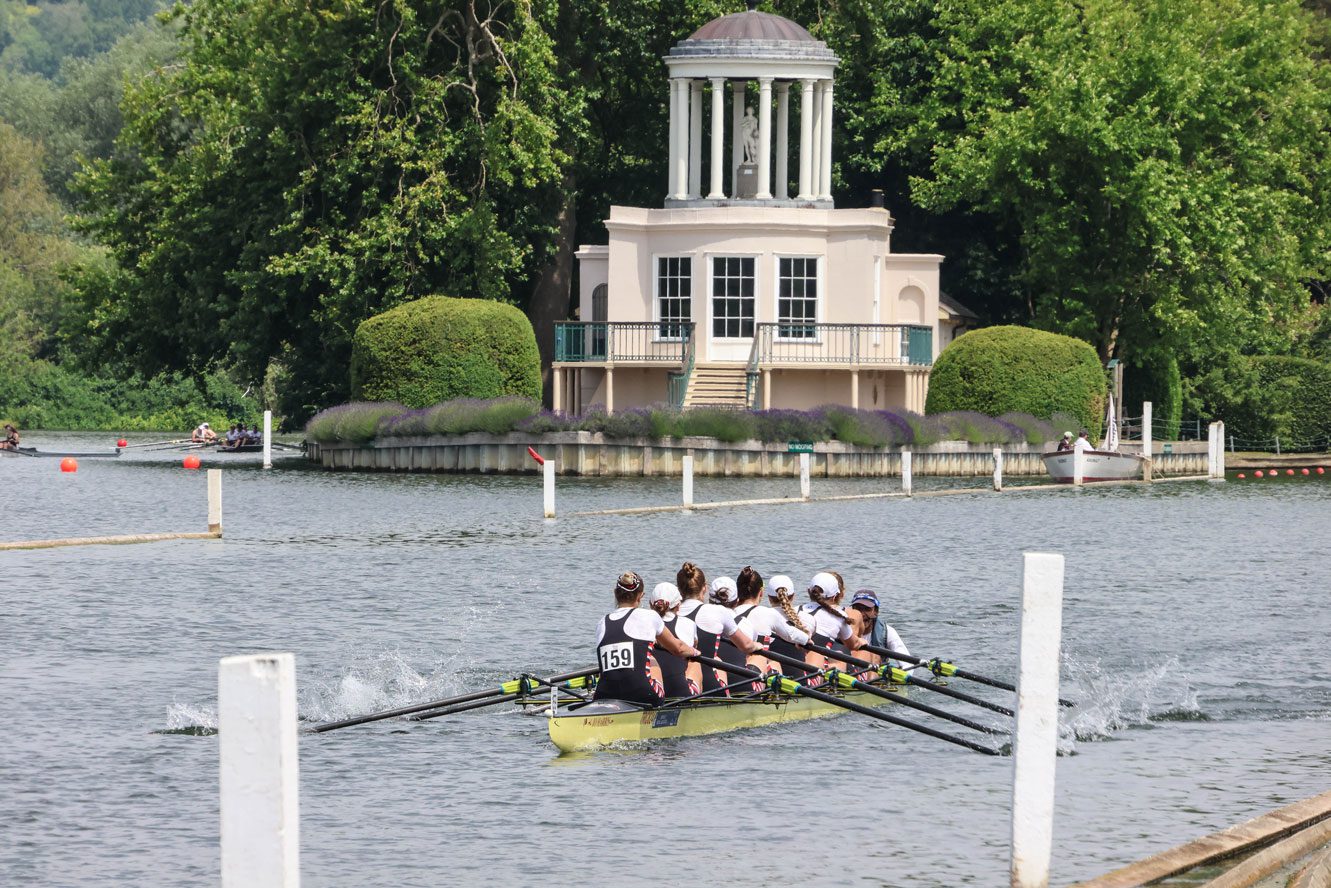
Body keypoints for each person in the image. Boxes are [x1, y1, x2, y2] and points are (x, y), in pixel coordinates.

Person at [593, 571, 698, 708]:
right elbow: (677, 648)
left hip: (606, 696)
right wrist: (694, 652)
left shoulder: (602, 623)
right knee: (653, 660)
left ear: (615, 593)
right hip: (644, 696)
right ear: (640, 596)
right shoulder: (650, 616)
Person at [676, 562, 760, 695]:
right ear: (704, 588)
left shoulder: (670, 614)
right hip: (711, 687)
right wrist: (757, 646)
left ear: (679, 589)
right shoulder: (718, 611)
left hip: (677, 684)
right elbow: (746, 645)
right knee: (754, 655)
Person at [732, 567, 811, 686]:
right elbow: (791, 635)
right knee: (774, 663)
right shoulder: (767, 613)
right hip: (754, 678)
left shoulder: (727, 614)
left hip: (730, 675)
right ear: (761, 593)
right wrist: (807, 639)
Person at [801, 571, 864, 678]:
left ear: (809, 592)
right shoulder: (840, 616)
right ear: (836, 596)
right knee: (864, 653)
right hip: (819, 669)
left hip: (801, 663)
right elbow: (853, 645)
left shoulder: (795, 610)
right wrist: (861, 642)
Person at [646, 582, 702, 698]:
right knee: (694, 661)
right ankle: (697, 702)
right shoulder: (688, 624)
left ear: (651, 605)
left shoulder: (642, 624)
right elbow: (694, 646)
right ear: (678, 605)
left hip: (651, 691)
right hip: (679, 693)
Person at [764, 573, 815, 677]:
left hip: (771, 679)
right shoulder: (808, 618)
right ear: (793, 596)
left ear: (768, 597)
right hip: (801, 680)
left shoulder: (762, 616)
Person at [847, 590, 910, 670]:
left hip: (875, 677)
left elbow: (907, 664)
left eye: (867, 609)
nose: (862, 614)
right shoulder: (843, 629)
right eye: (858, 609)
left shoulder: (887, 632)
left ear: (876, 612)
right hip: (849, 674)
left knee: (873, 656)